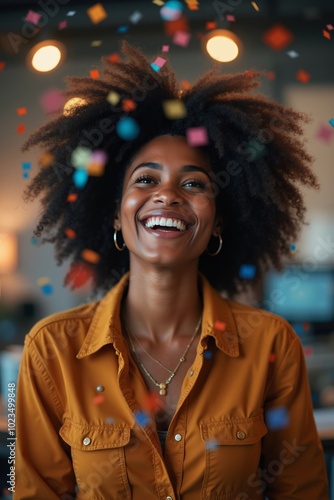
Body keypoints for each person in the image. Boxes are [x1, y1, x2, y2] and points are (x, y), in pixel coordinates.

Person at [15, 42, 329, 499]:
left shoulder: (272, 345)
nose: (167, 195)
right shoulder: (52, 350)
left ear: (219, 218)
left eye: (194, 183)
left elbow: (301, 491)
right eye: (145, 179)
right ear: (114, 213)